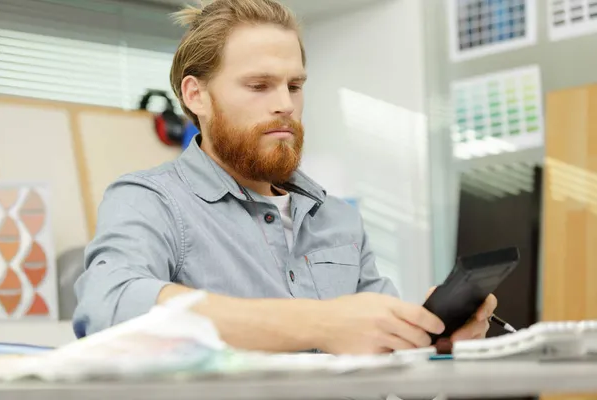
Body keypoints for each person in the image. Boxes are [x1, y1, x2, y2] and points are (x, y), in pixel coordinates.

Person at [72, 0, 497, 354]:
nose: (285, 105)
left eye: (294, 86)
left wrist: (427, 339)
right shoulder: (149, 200)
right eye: (259, 86)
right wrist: (319, 323)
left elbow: (381, 356)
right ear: (195, 95)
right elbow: (110, 307)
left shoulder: (337, 219)